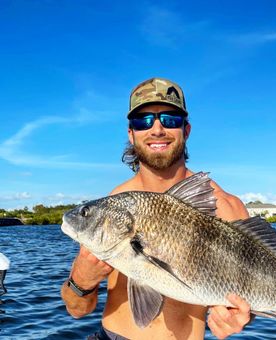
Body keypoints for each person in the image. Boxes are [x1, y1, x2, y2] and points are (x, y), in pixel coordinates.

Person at [61, 78, 251, 339]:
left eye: (170, 119)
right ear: (131, 133)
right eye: (143, 121)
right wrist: (81, 281)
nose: (157, 129)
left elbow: (258, 293)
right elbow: (77, 309)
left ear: (186, 129)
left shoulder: (226, 207)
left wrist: (242, 317)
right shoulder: (114, 205)